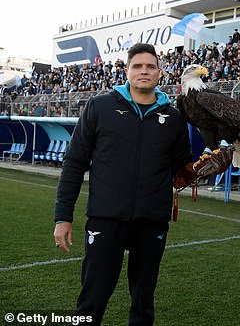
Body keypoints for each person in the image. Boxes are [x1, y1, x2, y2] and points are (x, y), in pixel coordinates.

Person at [53, 43, 193, 325]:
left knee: (143, 301)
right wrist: (62, 216)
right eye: (138, 66)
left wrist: (206, 166)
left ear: (159, 72)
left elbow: (182, 172)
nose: (144, 71)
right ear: (126, 71)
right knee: (92, 299)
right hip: (106, 218)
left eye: (150, 66)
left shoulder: (175, 117)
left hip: (152, 221)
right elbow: (74, 163)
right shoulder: (100, 107)